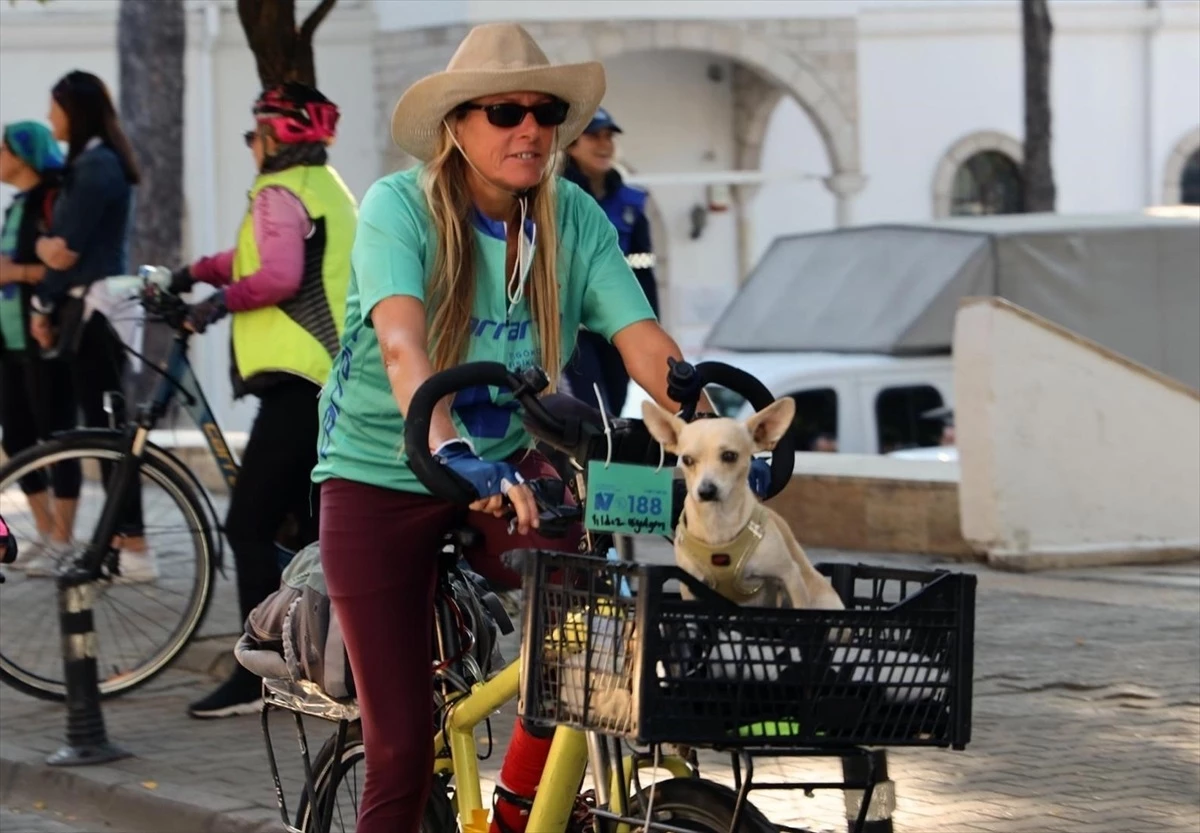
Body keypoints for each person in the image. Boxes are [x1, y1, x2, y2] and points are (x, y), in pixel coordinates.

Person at [311, 23, 770, 833]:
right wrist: (447, 446)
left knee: (590, 644)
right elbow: (401, 346)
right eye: (503, 112)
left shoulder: (572, 218)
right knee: (400, 754)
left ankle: (520, 814)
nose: (528, 127)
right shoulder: (399, 208)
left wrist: (718, 442)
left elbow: (646, 347)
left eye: (544, 111)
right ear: (458, 125)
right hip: (380, 475)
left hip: (506, 470)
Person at [174, 83, 358, 719]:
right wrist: (195, 271)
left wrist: (208, 306)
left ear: (278, 135)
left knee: (248, 524)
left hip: (299, 381)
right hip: (325, 385)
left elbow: (276, 275)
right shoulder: (319, 185)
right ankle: (322, 670)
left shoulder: (281, 192)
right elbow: (255, 255)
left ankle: (256, 675)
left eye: (255, 135)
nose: (252, 146)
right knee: (310, 533)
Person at [24, 71, 149, 580]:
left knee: (109, 434)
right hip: (92, 312)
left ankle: (137, 545)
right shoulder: (95, 161)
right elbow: (55, 247)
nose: (50, 116)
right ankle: (124, 542)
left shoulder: (96, 165)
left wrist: (40, 277)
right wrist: (46, 249)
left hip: (96, 314)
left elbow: (63, 249)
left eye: (55, 107)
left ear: (73, 110)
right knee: (105, 431)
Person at [0, 121, 81, 569]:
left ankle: (64, 539)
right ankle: (46, 529)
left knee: (58, 435)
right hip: (12, 342)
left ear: (23, 155)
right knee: (18, 436)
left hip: (45, 337)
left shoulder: (51, 202)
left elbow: (58, 269)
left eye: (3, 147)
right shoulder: (18, 205)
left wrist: (15, 273)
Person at [561, 106, 659, 417]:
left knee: (615, 404)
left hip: (619, 324)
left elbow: (644, 268)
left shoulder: (632, 203)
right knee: (589, 408)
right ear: (572, 144)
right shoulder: (555, 198)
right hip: (573, 328)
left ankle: (604, 466)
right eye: (594, 136)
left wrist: (651, 325)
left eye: (609, 137)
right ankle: (580, 466)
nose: (605, 145)